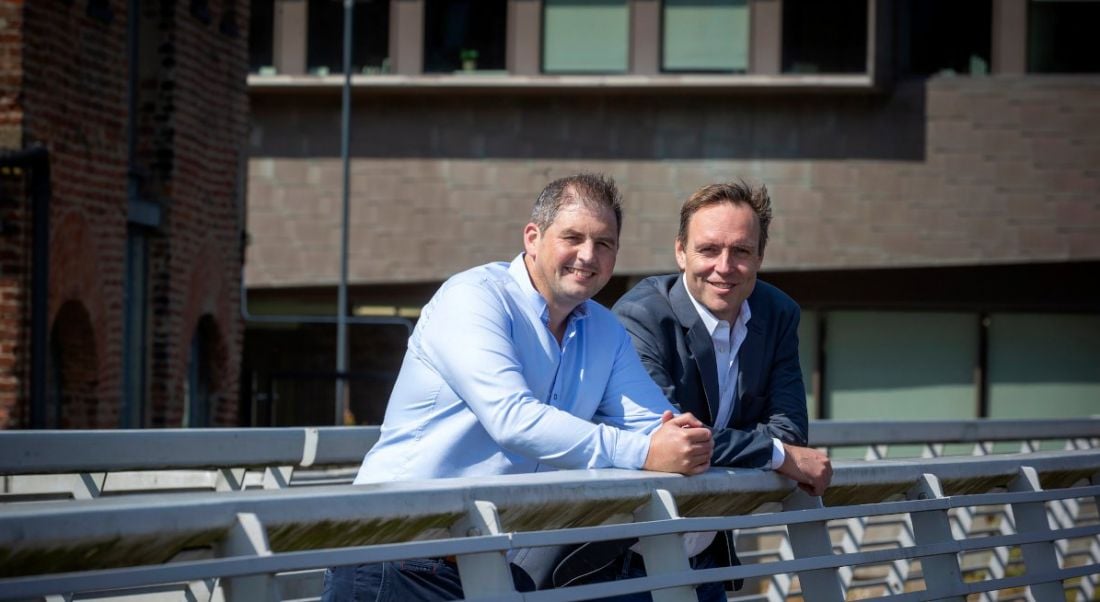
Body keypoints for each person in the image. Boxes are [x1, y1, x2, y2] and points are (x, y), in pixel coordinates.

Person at [321, 173, 714, 601]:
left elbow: (654, 424)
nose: (588, 255)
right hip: (396, 555)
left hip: (490, 564)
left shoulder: (604, 328)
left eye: (604, 243)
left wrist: (678, 440)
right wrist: (644, 452)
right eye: (573, 237)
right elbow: (512, 418)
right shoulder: (473, 297)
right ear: (532, 237)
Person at [591, 180, 833, 600]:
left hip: (704, 560)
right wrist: (774, 454)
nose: (725, 266)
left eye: (741, 251)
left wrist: (781, 448)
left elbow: (791, 432)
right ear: (680, 251)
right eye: (708, 250)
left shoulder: (778, 314)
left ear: (760, 255)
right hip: (621, 564)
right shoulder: (642, 315)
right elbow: (672, 437)